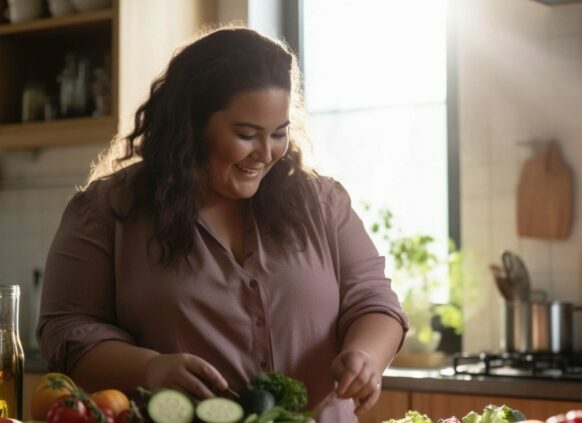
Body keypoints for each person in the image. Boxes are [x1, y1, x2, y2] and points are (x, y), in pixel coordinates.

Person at [37, 27, 408, 422]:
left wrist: (366, 355)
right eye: (246, 135)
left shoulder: (322, 203)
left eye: (279, 133)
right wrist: (149, 368)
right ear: (192, 124)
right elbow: (66, 330)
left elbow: (373, 301)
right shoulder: (108, 210)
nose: (266, 154)